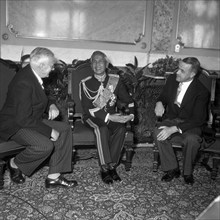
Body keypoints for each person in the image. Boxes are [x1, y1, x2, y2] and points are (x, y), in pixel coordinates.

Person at [0, 47, 77, 188]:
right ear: (41, 66)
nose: (53, 69)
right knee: (44, 145)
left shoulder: (33, 74)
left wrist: (51, 105)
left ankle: (54, 176)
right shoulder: (24, 82)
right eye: (51, 65)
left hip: (29, 119)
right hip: (15, 125)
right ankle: (14, 163)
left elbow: (41, 97)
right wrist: (49, 131)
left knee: (65, 129)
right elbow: (22, 119)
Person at [80, 51, 134, 184]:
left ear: (107, 64)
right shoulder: (85, 83)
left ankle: (112, 166)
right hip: (91, 117)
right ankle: (104, 168)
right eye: (94, 61)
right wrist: (110, 117)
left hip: (111, 116)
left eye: (101, 61)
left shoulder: (115, 80)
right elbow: (88, 109)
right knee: (101, 129)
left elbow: (128, 101)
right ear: (91, 64)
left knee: (121, 128)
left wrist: (131, 114)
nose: (97, 65)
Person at [154, 57, 210, 185]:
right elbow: (163, 96)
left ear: (192, 74)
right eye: (178, 68)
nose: (177, 72)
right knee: (158, 132)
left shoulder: (201, 92)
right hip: (172, 118)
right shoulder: (172, 80)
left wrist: (173, 129)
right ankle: (172, 169)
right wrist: (159, 102)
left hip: (190, 123)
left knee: (192, 140)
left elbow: (198, 119)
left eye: (182, 71)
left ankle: (187, 172)